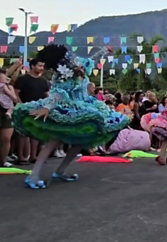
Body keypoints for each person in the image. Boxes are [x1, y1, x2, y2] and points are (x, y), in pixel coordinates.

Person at [13, 45, 130, 189]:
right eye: (69, 59)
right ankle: (33, 175)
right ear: (62, 63)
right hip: (68, 108)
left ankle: (60, 170)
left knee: (82, 140)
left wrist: (104, 51)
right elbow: (58, 93)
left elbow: (91, 59)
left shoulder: (79, 65)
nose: (73, 60)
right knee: (55, 140)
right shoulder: (63, 75)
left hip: (84, 105)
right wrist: (47, 108)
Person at [13, 57, 51, 163]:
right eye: (39, 65)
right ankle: (21, 157)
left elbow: (47, 95)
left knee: (36, 133)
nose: (41, 68)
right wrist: (21, 105)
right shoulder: (23, 79)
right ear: (32, 66)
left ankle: (33, 156)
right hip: (24, 108)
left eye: (42, 66)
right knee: (22, 134)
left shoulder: (43, 81)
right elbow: (16, 93)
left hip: (38, 109)